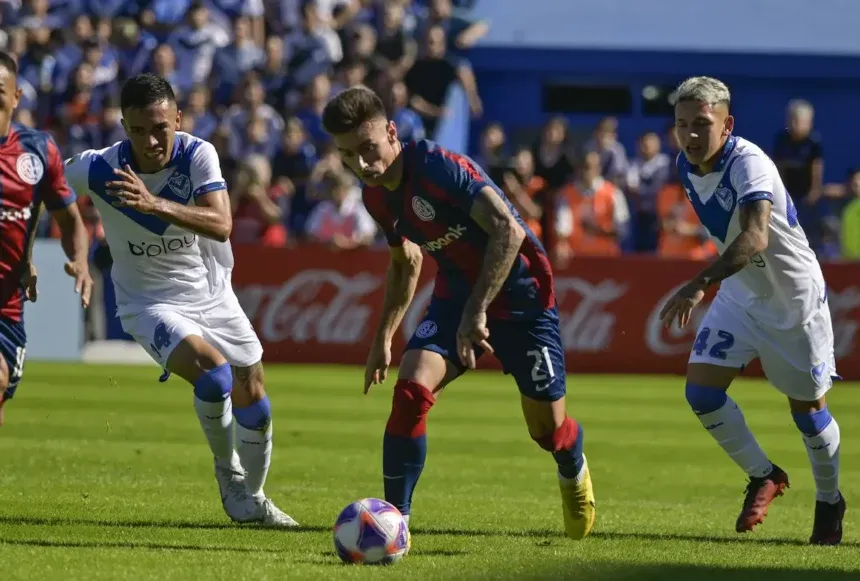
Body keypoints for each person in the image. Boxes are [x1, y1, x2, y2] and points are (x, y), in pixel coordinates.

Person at [321, 85, 595, 540]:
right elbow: (406, 261)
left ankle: (572, 466)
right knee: (411, 392)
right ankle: (396, 523)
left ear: (392, 133)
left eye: (368, 148)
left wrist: (478, 311)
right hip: (456, 298)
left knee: (547, 431)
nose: (362, 164)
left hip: (523, 298)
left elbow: (507, 230)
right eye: (348, 154)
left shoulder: (437, 168)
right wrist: (383, 337)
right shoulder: (375, 197)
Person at [64, 73, 296, 527]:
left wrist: (154, 204)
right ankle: (229, 476)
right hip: (147, 302)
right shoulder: (97, 168)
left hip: (212, 293)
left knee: (256, 397)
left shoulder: (197, 154)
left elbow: (222, 224)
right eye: (137, 130)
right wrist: (74, 249)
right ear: (123, 126)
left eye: (159, 128)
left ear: (177, 119)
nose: (150, 140)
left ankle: (254, 497)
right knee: (214, 376)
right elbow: (50, 190)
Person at [661, 76, 844, 545]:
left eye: (702, 124)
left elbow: (756, 236)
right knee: (701, 394)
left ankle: (829, 500)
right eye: (682, 124)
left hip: (792, 303)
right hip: (741, 295)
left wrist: (700, 281)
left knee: (807, 412)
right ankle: (764, 475)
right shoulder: (684, 164)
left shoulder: (751, 163)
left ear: (728, 125)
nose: (691, 134)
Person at [0, 51, 93, 427]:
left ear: (16, 95)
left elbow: (70, 221)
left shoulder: (38, 151)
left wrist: (81, 261)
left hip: (7, 303)